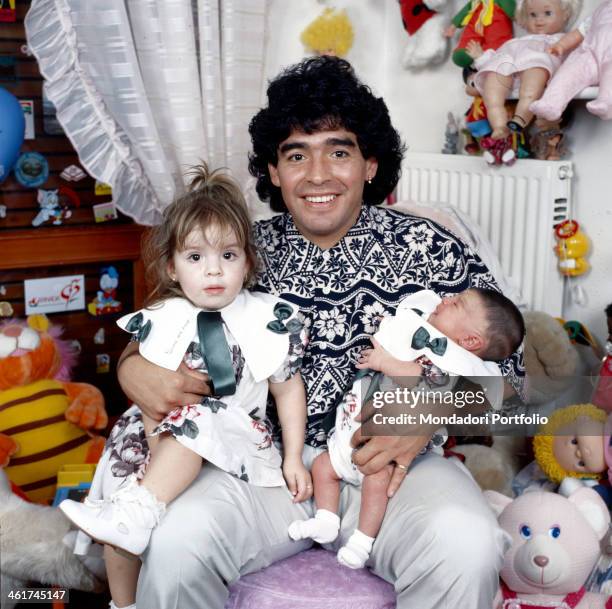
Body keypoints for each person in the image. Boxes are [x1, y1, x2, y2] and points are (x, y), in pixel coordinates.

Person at [113, 56, 524, 609]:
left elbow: (509, 380)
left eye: (339, 150)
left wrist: (430, 413)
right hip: (261, 468)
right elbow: (159, 330)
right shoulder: (240, 247)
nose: (318, 175)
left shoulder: (430, 247)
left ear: (371, 164)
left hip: (394, 471)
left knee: (467, 545)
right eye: (295, 154)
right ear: (274, 172)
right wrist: (130, 367)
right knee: (177, 542)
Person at [63, 165, 311, 609]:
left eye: (228, 256)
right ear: (173, 268)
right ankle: (123, 601)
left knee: (193, 419)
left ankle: (139, 511)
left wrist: (294, 456)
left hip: (234, 435)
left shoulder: (266, 317)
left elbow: (287, 389)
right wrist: (156, 449)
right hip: (158, 436)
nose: (213, 270)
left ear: (248, 262)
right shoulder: (163, 318)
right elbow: (148, 396)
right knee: (127, 502)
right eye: (195, 258)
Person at [288, 287, 525, 569]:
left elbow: (434, 381)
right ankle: (326, 520)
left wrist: (385, 363)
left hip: (393, 447)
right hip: (345, 430)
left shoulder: (462, 364)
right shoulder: (419, 321)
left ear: (471, 340)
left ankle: (362, 542)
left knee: (378, 481)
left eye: (457, 304)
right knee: (324, 466)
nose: (446, 299)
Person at [466, 0, 580, 139]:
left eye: (547, 13)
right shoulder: (516, 41)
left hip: (535, 68)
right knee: (492, 86)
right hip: (507, 68)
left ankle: (520, 119)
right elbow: (496, 58)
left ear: (565, 15)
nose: (539, 20)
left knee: (534, 77)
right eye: (532, 14)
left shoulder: (562, 40)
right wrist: (480, 57)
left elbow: (576, 60)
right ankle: (499, 125)